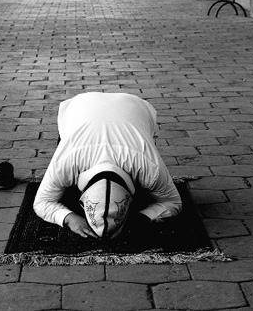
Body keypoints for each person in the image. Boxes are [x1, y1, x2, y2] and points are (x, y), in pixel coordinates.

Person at [33, 92, 182, 240]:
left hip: (126, 106)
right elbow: (172, 202)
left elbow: (175, 202)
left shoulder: (149, 168)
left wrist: (141, 218)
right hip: (85, 105)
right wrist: (70, 218)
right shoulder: (65, 164)